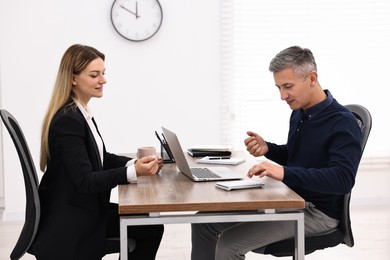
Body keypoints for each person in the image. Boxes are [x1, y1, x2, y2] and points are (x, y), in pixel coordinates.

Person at [191, 46, 363, 260]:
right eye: (278, 87)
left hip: (316, 212)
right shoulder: (300, 113)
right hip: (290, 199)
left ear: (312, 78)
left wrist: (283, 172)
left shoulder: (342, 122)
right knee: (203, 222)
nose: (282, 96)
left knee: (228, 244)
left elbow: (342, 179)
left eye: (287, 86)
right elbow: (299, 157)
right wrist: (268, 149)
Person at [30, 44, 164, 260]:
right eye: (94, 75)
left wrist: (136, 163)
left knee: (147, 221)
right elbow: (86, 181)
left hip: (80, 209)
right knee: (149, 226)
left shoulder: (79, 113)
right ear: (73, 78)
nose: (103, 80)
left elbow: (102, 157)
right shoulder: (68, 120)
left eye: (103, 73)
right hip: (73, 220)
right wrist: (135, 172)